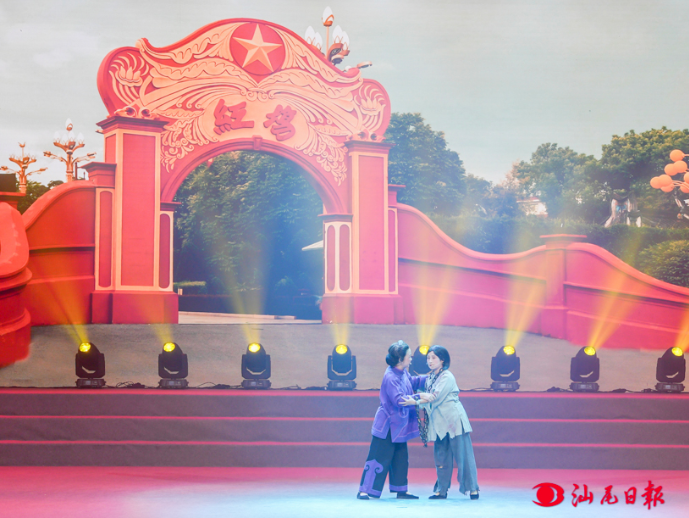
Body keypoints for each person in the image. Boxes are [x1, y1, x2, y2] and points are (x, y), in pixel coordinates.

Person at [401, 345, 479, 500]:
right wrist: (418, 398)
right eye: (428, 358)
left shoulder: (447, 377)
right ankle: (441, 490)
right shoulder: (430, 377)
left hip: (454, 421)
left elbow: (434, 397)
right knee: (441, 456)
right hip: (439, 423)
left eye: (434, 358)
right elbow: (427, 396)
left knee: (463, 456)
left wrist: (415, 400)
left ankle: (473, 488)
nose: (430, 361)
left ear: (442, 360)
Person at [357, 340, 427, 500]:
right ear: (400, 359)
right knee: (378, 457)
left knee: (400, 458)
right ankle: (364, 490)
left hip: (400, 424)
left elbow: (412, 382)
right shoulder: (390, 376)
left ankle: (401, 489)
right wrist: (420, 397)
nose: (411, 358)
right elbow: (399, 400)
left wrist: (430, 378)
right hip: (387, 425)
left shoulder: (403, 372)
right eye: (409, 356)